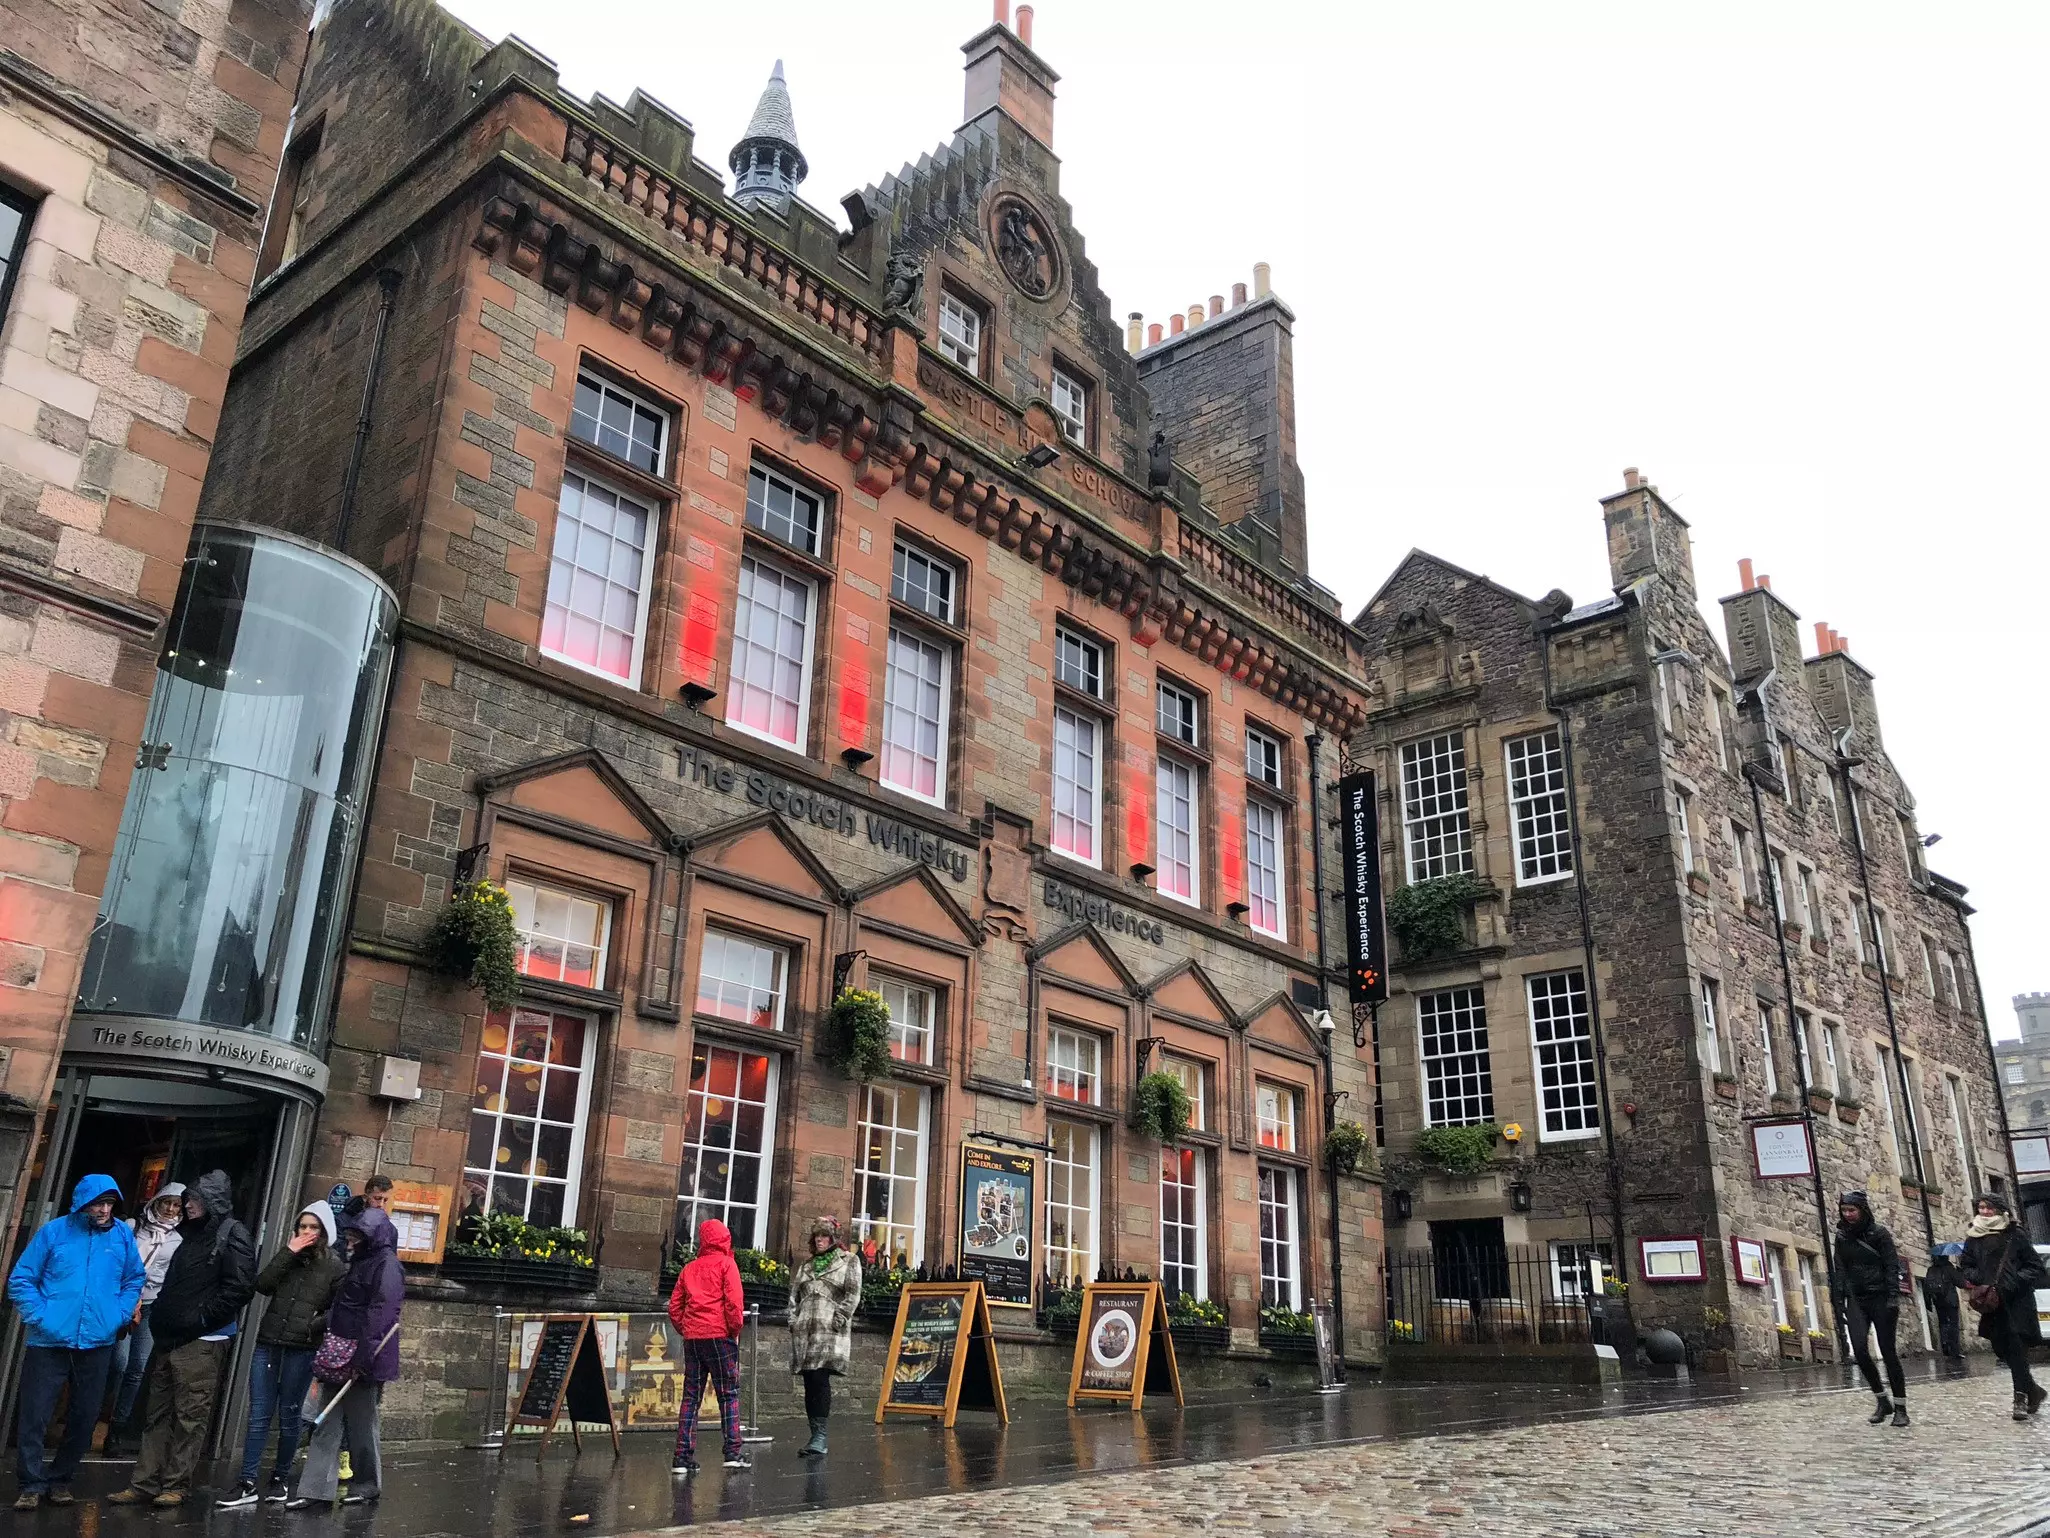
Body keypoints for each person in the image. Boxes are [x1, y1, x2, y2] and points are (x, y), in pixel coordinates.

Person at [108, 1169, 256, 1507]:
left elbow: (240, 1288)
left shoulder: (232, 1234)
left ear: (211, 1202)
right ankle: (144, 1482)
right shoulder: (190, 1236)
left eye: (194, 1200)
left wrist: (200, 1319)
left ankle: (174, 1485)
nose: (187, 1205)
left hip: (203, 1339)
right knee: (157, 1414)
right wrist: (163, 1317)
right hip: (171, 1336)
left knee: (190, 1416)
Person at [7, 1174, 145, 1510]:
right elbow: (21, 1279)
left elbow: (134, 1279)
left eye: (109, 1203)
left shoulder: (123, 1236)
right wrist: (42, 1317)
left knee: (85, 1417)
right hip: (48, 1341)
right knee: (35, 1415)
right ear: (81, 1203)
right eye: (97, 1203)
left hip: (98, 1340)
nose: (103, 1209)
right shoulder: (54, 1231)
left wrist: (119, 1315)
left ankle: (61, 1479)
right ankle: (31, 1483)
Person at [218, 1204, 344, 1506]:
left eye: (314, 1228)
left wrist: (314, 1324)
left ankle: (280, 1478)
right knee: (259, 1412)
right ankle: (247, 1481)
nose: (307, 1233)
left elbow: (339, 1307)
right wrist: (287, 1252)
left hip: (301, 1347)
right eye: (303, 1226)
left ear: (325, 1231)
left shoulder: (335, 1264)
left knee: (289, 1414)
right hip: (269, 1340)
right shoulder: (288, 1256)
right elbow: (262, 1284)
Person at [287, 1207, 403, 1509]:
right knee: (329, 1424)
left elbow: (380, 1315)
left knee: (362, 1424)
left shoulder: (385, 1266)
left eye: (356, 1235)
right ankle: (315, 1489)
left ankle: (366, 1486)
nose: (350, 1239)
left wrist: (363, 1359)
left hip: (360, 1355)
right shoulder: (364, 1261)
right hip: (340, 1350)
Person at [105, 1184, 185, 1455]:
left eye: (177, 1206)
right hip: (123, 1301)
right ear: (157, 1202)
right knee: (119, 1363)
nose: (171, 1210)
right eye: (167, 1203)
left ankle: (117, 1429)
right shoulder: (132, 1226)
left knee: (137, 1368)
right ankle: (99, 1416)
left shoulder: (177, 1240)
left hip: (151, 1305)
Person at [667, 1218, 747, 1474]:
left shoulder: (689, 1268)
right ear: (725, 1239)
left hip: (693, 1338)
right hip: (720, 1336)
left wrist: (687, 1328)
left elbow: (674, 1308)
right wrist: (733, 1330)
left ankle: (682, 1456)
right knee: (728, 1394)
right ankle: (733, 1452)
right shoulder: (727, 1265)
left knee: (691, 1396)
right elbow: (734, 1305)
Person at [1960, 1192, 2048, 1421]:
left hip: (2017, 1301)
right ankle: (2033, 1390)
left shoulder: (2015, 1234)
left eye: (1989, 1208)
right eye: (1981, 1208)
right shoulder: (1973, 1237)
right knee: (2003, 1349)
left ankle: (2019, 1399)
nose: (1985, 1212)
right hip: (1992, 1303)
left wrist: (2014, 1280)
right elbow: (1966, 1266)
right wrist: (1978, 1277)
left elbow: (2035, 1267)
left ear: (2000, 1210)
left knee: (2017, 1347)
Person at [1831, 1190, 1909, 1428]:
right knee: (1861, 1351)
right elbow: (1840, 1268)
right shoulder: (1842, 1236)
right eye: (1845, 1210)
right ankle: (1881, 1399)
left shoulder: (1879, 1234)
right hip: (1857, 1298)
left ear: (1862, 1210)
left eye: (1852, 1210)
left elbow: (1891, 1265)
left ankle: (1900, 1407)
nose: (1848, 1215)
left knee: (1888, 1352)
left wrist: (1893, 1297)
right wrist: (1839, 1299)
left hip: (1882, 1297)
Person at [786, 1215, 862, 1458]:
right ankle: (814, 1435)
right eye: (817, 1236)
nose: (820, 1240)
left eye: (825, 1236)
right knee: (809, 1381)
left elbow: (853, 1293)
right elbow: (794, 1295)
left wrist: (840, 1317)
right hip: (805, 1331)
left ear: (833, 1238)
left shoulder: (848, 1261)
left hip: (828, 1330)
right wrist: (793, 1319)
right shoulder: (806, 1266)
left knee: (820, 1378)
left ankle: (820, 1436)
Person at [1922, 1242, 1966, 1362]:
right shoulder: (1949, 1268)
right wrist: (1960, 1272)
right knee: (1953, 1324)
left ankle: (1945, 1347)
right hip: (1951, 1301)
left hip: (1938, 1301)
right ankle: (1955, 1351)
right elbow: (1961, 1284)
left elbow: (1926, 1287)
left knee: (1943, 1324)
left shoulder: (1931, 1269)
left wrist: (1928, 1303)